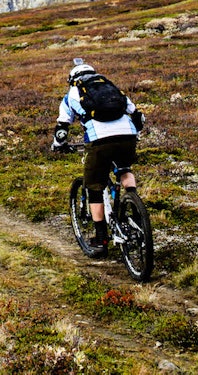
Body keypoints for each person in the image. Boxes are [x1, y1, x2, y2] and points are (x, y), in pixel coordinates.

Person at [52, 59, 144, 251]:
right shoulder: (111, 88)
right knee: (124, 169)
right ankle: (136, 211)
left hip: (99, 139)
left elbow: (62, 129)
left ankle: (101, 238)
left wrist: (58, 145)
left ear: (72, 80)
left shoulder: (72, 94)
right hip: (128, 136)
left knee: (94, 187)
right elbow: (137, 116)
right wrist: (135, 133)